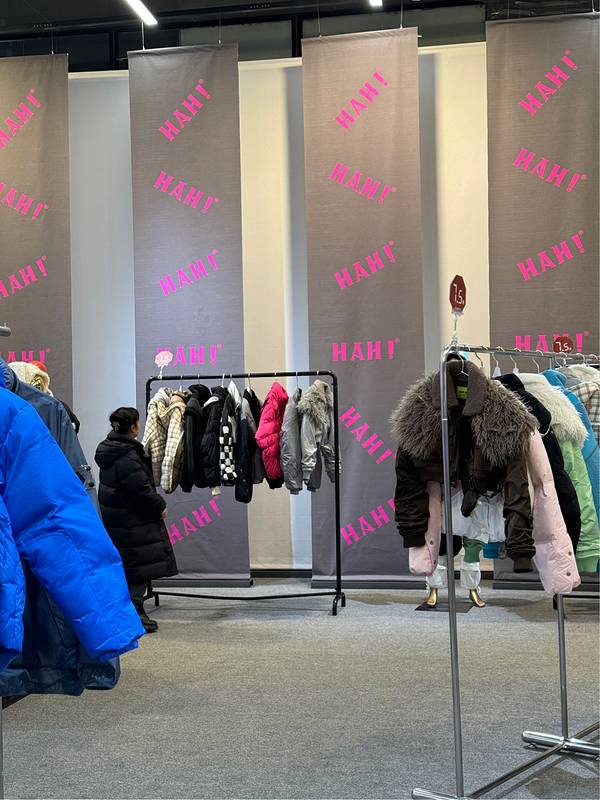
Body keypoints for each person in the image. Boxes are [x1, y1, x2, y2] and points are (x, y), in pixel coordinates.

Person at [95, 407, 177, 633]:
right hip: (133, 520)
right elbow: (140, 489)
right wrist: (159, 506)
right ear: (132, 427)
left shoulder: (110, 450)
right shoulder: (128, 455)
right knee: (139, 567)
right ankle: (135, 614)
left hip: (118, 518)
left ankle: (128, 612)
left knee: (128, 565)